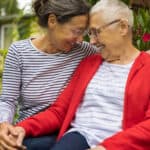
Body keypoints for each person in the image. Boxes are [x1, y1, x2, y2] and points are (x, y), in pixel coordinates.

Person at [13, 0, 150, 150]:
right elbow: (59, 112)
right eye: (90, 33)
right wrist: (22, 128)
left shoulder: (146, 67)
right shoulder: (88, 64)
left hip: (121, 142)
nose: (91, 41)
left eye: (97, 32)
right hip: (80, 137)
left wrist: (105, 147)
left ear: (122, 27)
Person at [0, 0, 96, 149]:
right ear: (52, 21)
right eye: (76, 31)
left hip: (68, 133)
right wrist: (4, 125)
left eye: (83, 32)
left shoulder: (86, 52)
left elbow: (118, 59)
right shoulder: (19, 53)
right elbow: (7, 100)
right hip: (28, 131)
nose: (80, 39)